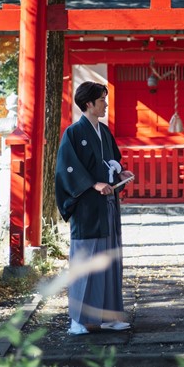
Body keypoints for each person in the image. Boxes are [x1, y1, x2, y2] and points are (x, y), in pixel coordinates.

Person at [55, 81, 134, 335]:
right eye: (102, 99)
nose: (106, 104)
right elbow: (67, 169)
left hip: (108, 204)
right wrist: (93, 184)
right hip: (87, 207)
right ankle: (77, 319)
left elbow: (113, 161)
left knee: (110, 259)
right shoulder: (74, 133)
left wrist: (122, 171)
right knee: (85, 260)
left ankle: (109, 316)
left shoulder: (104, 131)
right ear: (88, 103)